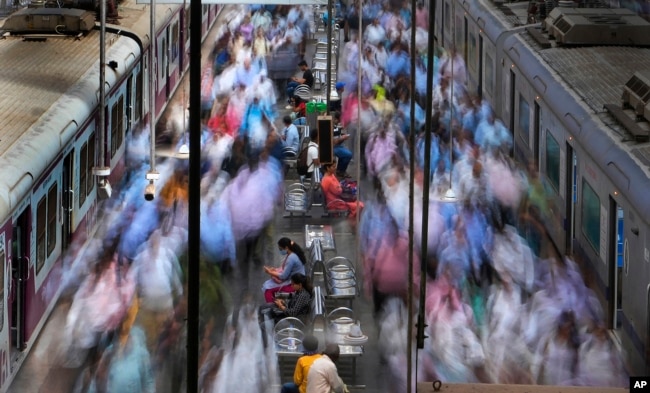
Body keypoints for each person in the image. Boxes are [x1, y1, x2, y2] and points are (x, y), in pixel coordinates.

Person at [262, 237, 307, 302]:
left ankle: (272, 308)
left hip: (294, 286)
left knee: (268, 291)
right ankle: (278, 304)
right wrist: (275, 269)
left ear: (286, 248)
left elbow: (283, 276)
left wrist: (269, 272)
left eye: (280, 249)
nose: (280, 251)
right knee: (269, 286)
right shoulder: (293, 254)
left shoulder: (291, 258)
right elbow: (285, 268)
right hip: (297, 281)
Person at [332, 112, 352, 178]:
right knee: (348, 155)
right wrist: (342, 138)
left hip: (339, 145)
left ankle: (340, 170)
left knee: (345, 154)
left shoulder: (337, 126)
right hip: (333, 147)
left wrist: (343, 136)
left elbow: (338, 137)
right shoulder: (331, 127)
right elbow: (334, 142)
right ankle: (341, 171)